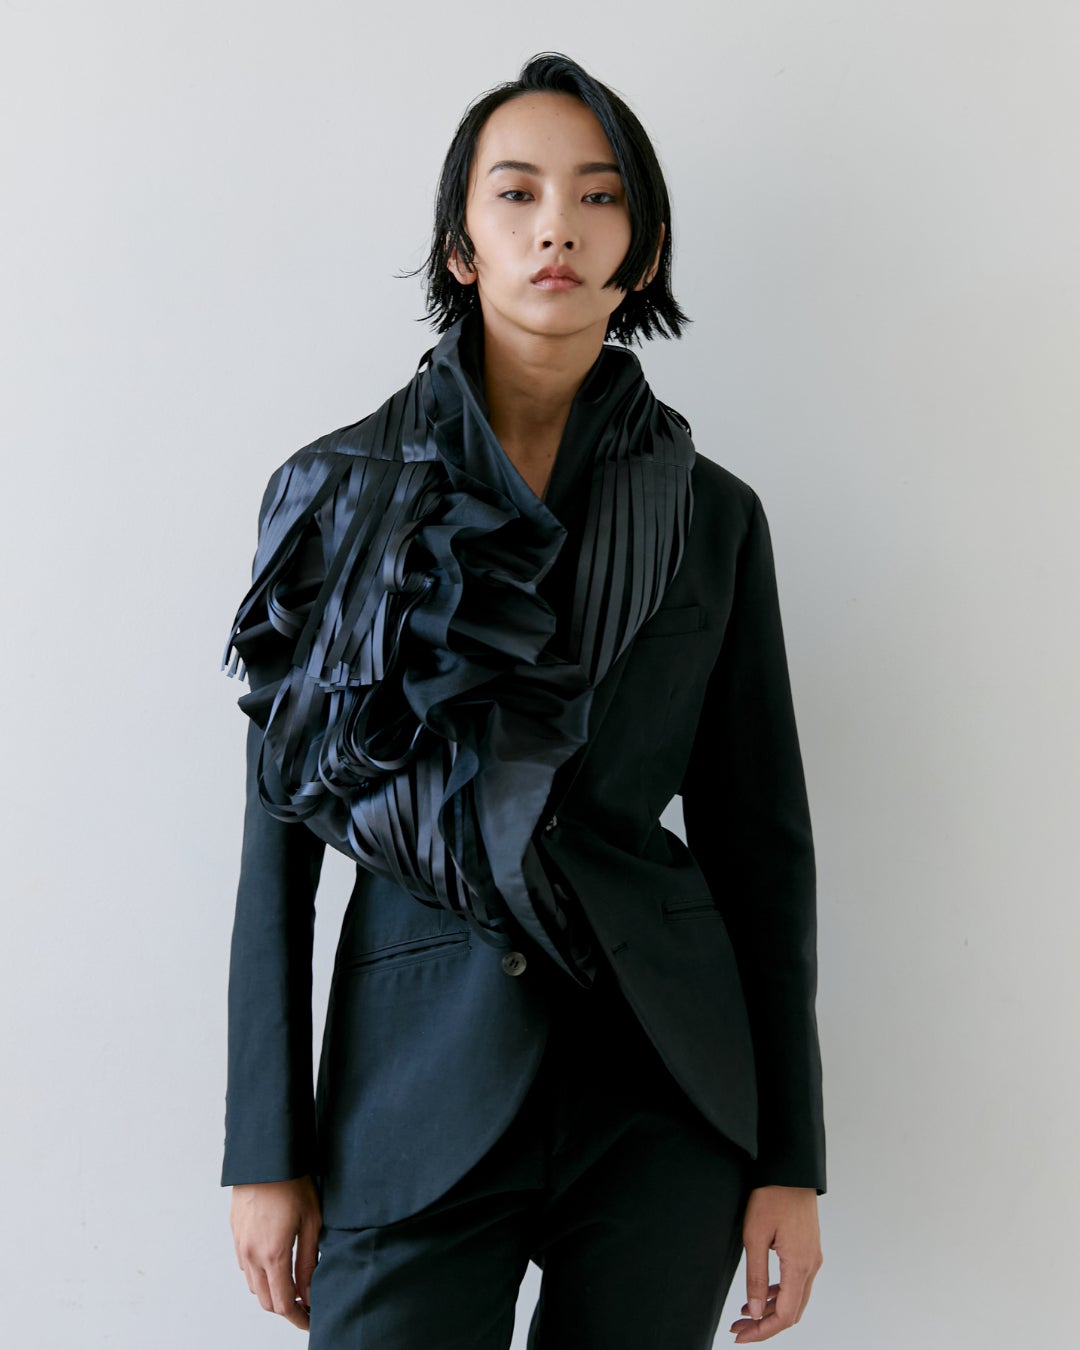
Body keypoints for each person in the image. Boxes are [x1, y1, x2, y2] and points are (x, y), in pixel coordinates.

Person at [222, 51, 825, 1349]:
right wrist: (263, 1148)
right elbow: (280, 835)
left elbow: (759, 843)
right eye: (517, 193)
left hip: (663, 1089)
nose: (558, 226)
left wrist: (793, 1158)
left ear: (640, 253)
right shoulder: (338, 496)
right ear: (461, 245)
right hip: (409, 1086)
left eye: (599, 197)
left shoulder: (715, 518)